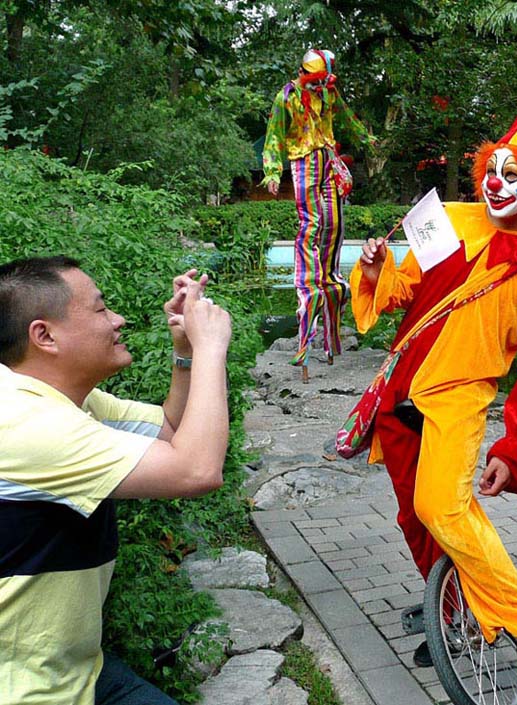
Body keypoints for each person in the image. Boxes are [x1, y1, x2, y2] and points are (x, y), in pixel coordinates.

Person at [350, 101, 517, 666]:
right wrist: (377, 268)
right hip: (400, 385)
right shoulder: (446, 220)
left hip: (461, 394)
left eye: (512, 173)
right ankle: (450, 614)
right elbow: (403, 292)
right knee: (412, 513)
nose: (497, 185)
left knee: (443, 506)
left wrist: (515, 439)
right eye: (490, 173)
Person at [0, 257, 232, 705]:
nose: (118, 319)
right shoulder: (27, 424)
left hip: (76, 671)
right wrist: (211, 349)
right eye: (101, 309)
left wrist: (185, 350)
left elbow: (170, 430)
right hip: (24, 690)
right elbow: (197, 470)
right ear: (44, 336)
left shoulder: (59, 400)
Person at [261, 48, 375, 380]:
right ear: (304, 76)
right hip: (302, 162)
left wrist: (366, 138)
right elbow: (273, 138)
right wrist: (271, 172)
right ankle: (309, 299)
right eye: (315, 82)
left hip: (327, 158)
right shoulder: (286, 97)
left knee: (335, 227)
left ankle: (332, 295)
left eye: (322, 82)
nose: (319, 88)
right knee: (311, 226)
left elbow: (347, 118)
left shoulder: (328, 91)